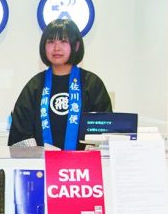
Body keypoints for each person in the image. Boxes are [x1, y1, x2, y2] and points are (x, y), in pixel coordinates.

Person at [8, 18, 111, 150]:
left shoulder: (92, 84)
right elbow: (20, 134)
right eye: (51, 42)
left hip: (83, 162)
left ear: (76, 46)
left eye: (63, 41)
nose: (56, 48)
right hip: (41, 162)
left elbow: (103, 130)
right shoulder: (34, 86)